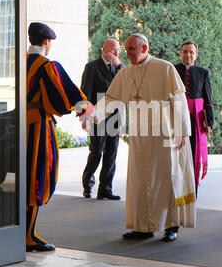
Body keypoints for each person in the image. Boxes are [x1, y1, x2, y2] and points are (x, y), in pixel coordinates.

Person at [83, 33, 196, 242]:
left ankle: (171, 226)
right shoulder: (126, 73)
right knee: (140, 181)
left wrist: (182, 131)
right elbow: (112, 99)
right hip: (140, 137)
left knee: (166, 179)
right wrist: (91, 116)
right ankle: (143, 227)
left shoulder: (164, 68)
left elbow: (179, 98)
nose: (128, 53)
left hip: (165, 135)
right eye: (126, 49)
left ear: (144, 48)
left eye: (131, 49)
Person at [26, 22, 90, 252]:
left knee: (26, 178)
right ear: (46, 42)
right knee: (38, 176)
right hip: (37, 127)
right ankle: (28, 235)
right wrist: (84, 108)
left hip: (19, 125)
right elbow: (65, 97)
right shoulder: (47, 65)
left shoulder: (20, 62)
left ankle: (23, 231)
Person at [80, 39, 124, 200]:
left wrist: (119, 64)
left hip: (115, 116)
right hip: (97, 116)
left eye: (118, 50)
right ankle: (87, 184)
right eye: (113, 50)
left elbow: (127, 81)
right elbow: (84, 93)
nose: (116, 53)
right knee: (96, 152)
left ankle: (105, 189)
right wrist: (84, 117)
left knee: (111, 153)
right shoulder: (92, 67)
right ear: (104, 49)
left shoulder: (121, 67)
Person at [174, 41, 214, 198]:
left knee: (194, 153)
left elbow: (208, 98)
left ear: (196, 55)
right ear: (180, 53)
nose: (188, 55)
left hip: (195, 120)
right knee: (178, 154)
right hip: (177, 118)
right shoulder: (173, 70)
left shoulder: (203, 72)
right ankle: (177, 191)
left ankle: (192, 193)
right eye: (185, 52)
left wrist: (209, 122)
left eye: (191, 52)